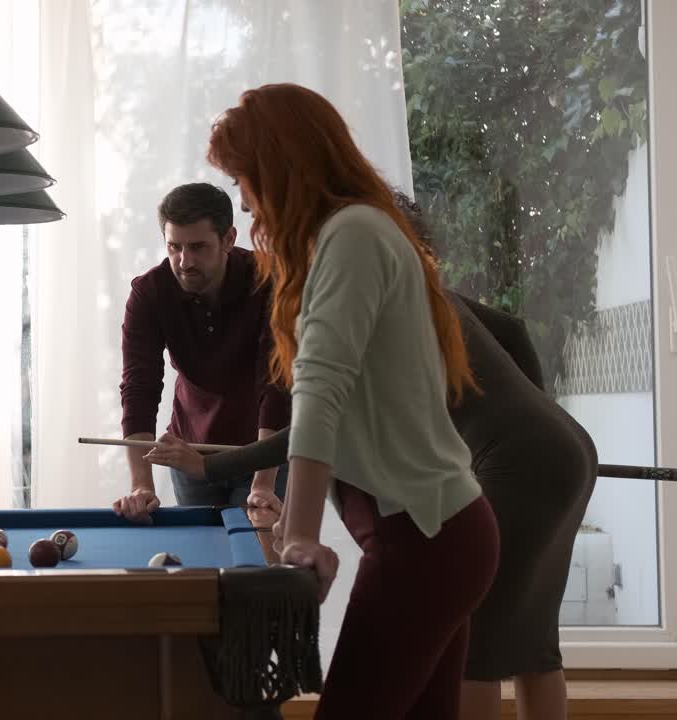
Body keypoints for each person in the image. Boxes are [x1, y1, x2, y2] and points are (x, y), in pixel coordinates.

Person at [153, 192, 596, 720]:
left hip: (518, 464)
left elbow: (320, 419)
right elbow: (514, 332)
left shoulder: (381, 304)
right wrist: (530, 416)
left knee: (476, 645)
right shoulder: (434, 298)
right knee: (533, 641)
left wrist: (214, 464)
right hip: (567, 448)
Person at [199, 83, 500, 720]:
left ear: (280, 167)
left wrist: (300, 535)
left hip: (427, 541)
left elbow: (320, 390)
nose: (246, 199)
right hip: (442, 534)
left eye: (245, 179)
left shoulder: (353, 234)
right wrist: (291, 525)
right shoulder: (357, 230)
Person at [111, 182, 290, 521]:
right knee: (205, 564)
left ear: (228, 238)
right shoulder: (149, 293)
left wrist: (263, 483)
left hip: (265, 450)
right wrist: (141, 486)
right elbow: (139, 388)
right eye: (174, 246)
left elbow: (277, 384)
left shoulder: (272, 281)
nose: (184, 261)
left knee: (260, 564)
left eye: (198, 247)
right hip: (190, 451)